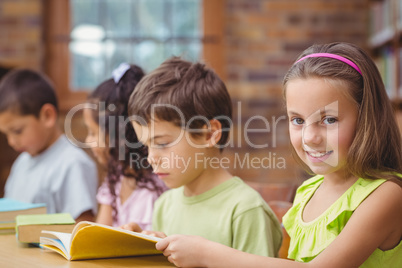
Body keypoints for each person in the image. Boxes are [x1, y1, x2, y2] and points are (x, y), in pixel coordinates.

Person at [152, 42, 402, 267]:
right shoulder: (308, 192)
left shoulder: (387, 195)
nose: (310, 137)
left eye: (329, 119)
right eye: (298, 120)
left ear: (368, 118)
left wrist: (206, 254)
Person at [123, 57, 283, 258]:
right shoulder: (165, 204)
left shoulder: (245, 210)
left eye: (162, 144)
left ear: (209, 134)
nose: (151, 158)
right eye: (146, 146)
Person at [0, 69, 98, 222]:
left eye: (17, 131)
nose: (11, 141)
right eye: (6, 134)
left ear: (47, 116)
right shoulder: (22, 162)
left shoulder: (73, 163)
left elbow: (83, 228)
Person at [83, 63, 166, 230]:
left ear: (118, 134)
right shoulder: (115, 181)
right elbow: (100, 236)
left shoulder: (159, 187)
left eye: (93, 133)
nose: (87, 141)